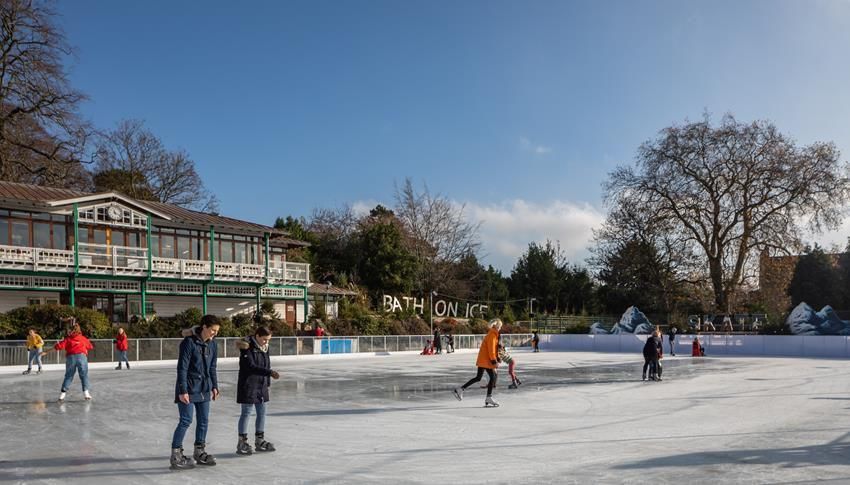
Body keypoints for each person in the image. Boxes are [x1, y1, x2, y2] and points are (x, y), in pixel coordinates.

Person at [170, 314, 221, 470]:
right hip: (189, 388)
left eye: (217, 331)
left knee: (204, 421)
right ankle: (176, 454)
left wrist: (215, 386)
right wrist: (183, 390)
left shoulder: (213, 345)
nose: (215, 333)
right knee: (186, 420)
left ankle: (199, 451)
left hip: (205, 387)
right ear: (204, 327)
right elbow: (182, 368)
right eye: (213, 330)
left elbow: (212, 367)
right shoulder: (188, 343)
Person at [235, 326, 280, 456]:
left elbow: (267, 364)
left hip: (262, 385)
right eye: (264, 339)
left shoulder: (265, 348)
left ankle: (259, 440)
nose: (266, 342)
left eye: (268, 340)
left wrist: (268, 382)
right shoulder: (247, 347)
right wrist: (270, 373)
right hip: (249, 385)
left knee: (262, 413)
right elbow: (250, 366)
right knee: (246, 413)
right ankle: (242, 442)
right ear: (257, 336)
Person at [453, 318, 502, 407]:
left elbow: (493, 348)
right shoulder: (492, 335)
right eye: (500, 326)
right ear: (496, 326)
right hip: (486, 360)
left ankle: (460, 389)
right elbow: (491, 350)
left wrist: (497, 354)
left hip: (484, 359)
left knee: (478, 377)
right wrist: (494, 361)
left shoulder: (493, 334)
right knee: (493, 376)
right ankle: (489, 397)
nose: (500, 328)